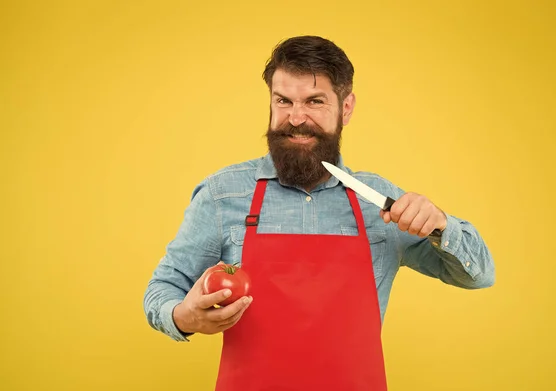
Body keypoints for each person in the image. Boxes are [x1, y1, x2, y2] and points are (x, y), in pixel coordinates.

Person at [143, 35, 495, 391]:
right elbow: (162, 290)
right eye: (283, 101)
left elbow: (478, 275)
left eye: (315, 101)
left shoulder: (380, 202)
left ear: (346, 107)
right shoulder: (224, 194)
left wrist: (441, 226)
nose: (296, 118)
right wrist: (184, 317)